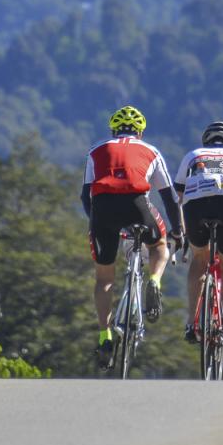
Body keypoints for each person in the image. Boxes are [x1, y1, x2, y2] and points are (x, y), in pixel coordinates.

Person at [82, 105, 183, 369]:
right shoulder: (151, 151)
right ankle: (154, 280)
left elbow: (85, 196)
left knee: (104, 277)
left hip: (102, 208)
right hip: (137, 205)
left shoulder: (96, 151)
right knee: (159, 245)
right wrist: (178, 230)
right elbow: (169, 197)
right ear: (139, 131)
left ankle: (104, 336)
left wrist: (95, 223)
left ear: (114, 129)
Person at [173, 120, 223, 345]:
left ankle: (192, 321)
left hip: (195, 206)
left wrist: (180, 230)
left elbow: (178, 194)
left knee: (200, 258)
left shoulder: (194, 154)